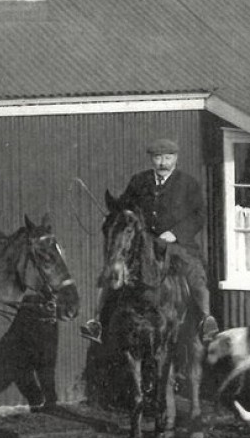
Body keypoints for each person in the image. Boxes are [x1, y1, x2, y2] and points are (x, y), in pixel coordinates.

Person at [84, 137, 218, 344]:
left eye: (167, 157)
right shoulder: (139, 181)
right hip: (144, 245)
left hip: (177, 244)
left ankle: (206, 319)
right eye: (157, 158)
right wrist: (115, 214)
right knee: (113, 271)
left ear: (175, 158)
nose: (162, 163)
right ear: (151, 160)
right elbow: (124, 206)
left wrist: (175, 233)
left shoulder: (188, 184)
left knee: (195, 273)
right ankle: (98, 321)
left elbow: (199, 215)